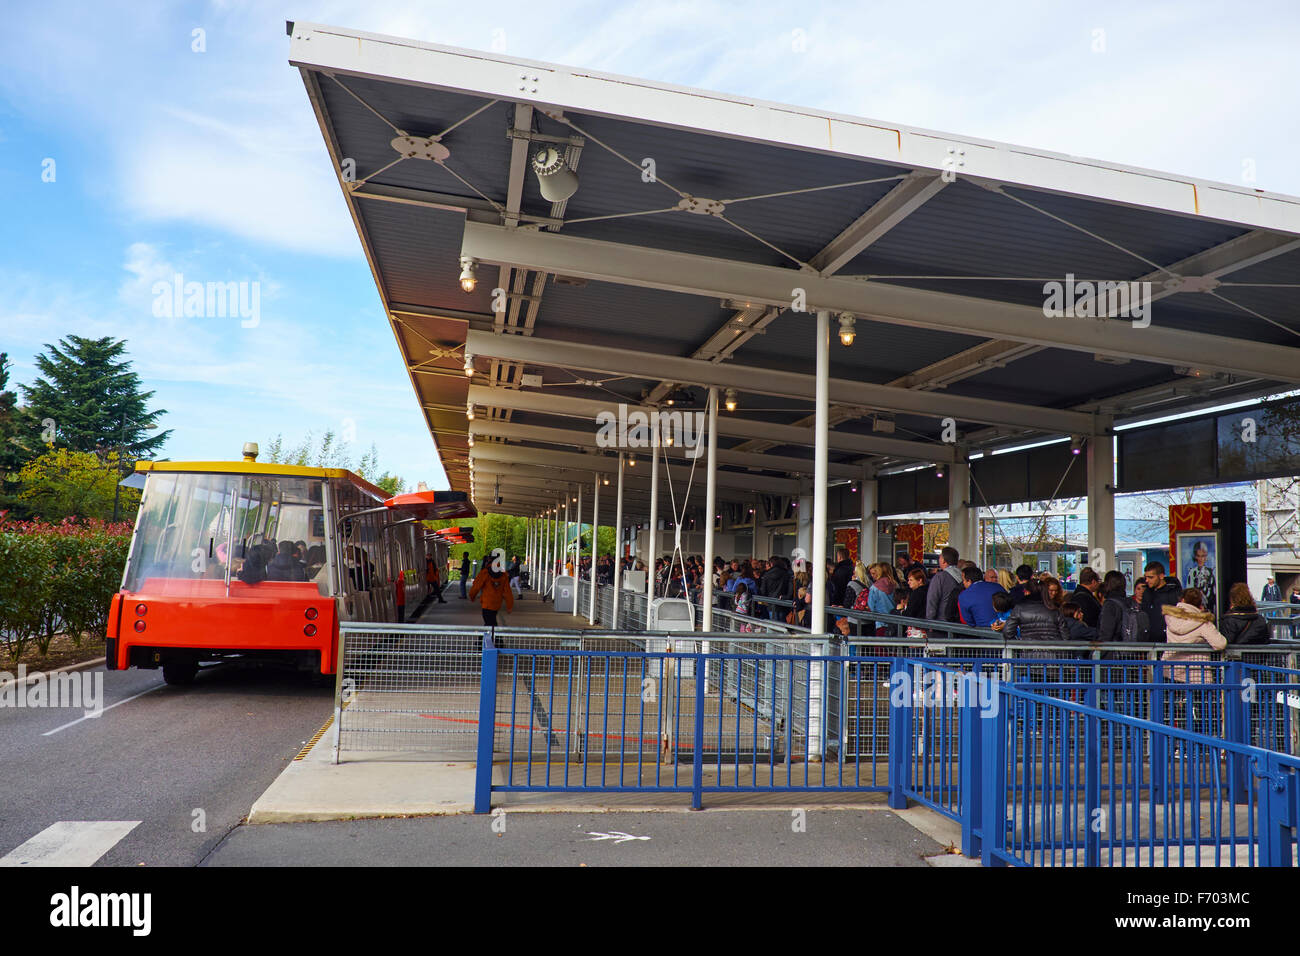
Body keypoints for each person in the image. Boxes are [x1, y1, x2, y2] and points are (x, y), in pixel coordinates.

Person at [1161, 587, 1227, 684]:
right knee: (1199, 699)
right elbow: (1220, 644)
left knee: (1170, 699)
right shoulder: (1203, 623)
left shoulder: (1170, 617)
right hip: (1196, 675)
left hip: (1170, 670)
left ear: (1182, 600)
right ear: (1200, 604)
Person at [1097, 570, 1147, 644]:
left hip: (1113, 650)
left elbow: (1106, 633)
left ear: (1108, 584)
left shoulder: (1110, 605)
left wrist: (1096, 652)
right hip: (1130, 648)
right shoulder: (1130, 602)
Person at [469, 548, 515, 626]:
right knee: (491, 623)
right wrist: (509, 605)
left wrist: (472, 596)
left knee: (489, 624)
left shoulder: (485, 572)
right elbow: (507, 591)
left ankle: (493, 638)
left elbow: (476, 586)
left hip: (487, 603)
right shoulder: (503, 574)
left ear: (489, 559)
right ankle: (490, 637)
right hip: (497, 604)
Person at [1140, 562, 1182, 642]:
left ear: (1161, 576)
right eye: (1146, 577)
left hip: (1168, 640)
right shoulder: (1147, 592)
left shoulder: (1173, 593)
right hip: (1149, 640)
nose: (1147, 580)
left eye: (1151, 577)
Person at [925, 546, 963, 624]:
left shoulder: (940, 577)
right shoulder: (962, 575)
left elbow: (932, 600)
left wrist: (929, 621)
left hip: (942, 622)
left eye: (940, 557)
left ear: (943, 561)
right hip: (959, 621)